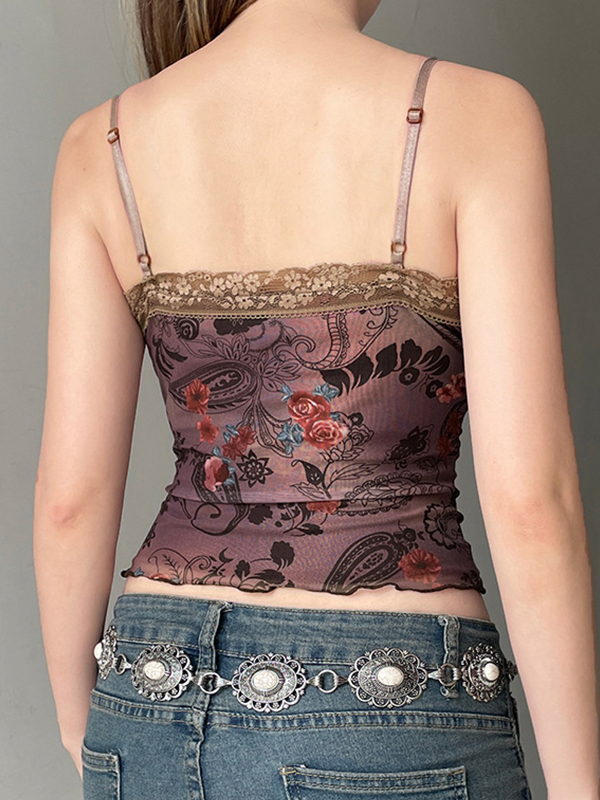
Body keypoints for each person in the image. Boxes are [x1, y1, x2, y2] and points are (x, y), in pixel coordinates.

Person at [34, 0, 599, 798]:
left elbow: (70, 500)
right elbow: (531, 505)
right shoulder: (478, 114)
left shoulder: (103, 143)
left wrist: (85, 726)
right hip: (382, 702)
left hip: (146, 690)